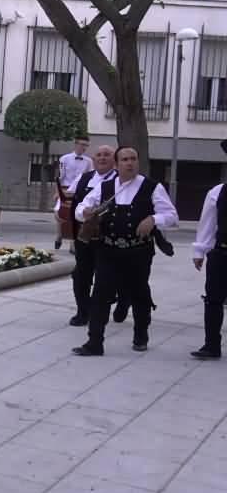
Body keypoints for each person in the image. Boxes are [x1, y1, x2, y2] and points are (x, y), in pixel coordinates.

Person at [72, 146, 178, 356]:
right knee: (100, 294)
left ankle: (141, 335)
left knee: (139, 293)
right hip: (108, 250)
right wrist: (85, 212)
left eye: (133, 159)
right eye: (125, 159)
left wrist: (153, 219)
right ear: (117, 164)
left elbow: (172, 216)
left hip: (138, 251)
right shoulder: (105, 187)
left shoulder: (151, 187)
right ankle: (94, 342)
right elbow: (80, 208)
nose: (130, 163)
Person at [64, 144, 117, 326]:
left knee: (106, 276)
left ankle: (106, 304)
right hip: (84, 235)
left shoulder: (119, 180)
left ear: (114, 160)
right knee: (81, 274)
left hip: (108, 237)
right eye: (99, 155)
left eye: (107, 155)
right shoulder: (84, 177)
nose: (102, 158)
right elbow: (70, 196)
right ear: (93, 160)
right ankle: (83, 311)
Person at [191, 162, 227, 360]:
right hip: (222, 253)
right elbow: (208, 222)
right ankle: (212, 345)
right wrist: (200, 250)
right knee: (213, 300)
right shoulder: (218, 192)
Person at [54, 136, 92, 249]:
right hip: (65, 189)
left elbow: (90, 177)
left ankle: (72, 243)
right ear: (76, 144)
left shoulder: (89, 161)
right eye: (82, 144)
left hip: (79, 191)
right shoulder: (64, 159)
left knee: (75, 215)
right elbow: (59, 177)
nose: (84, 147)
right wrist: (57, 192)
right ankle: (59, 235)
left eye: (86, 145)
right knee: (59, 212)